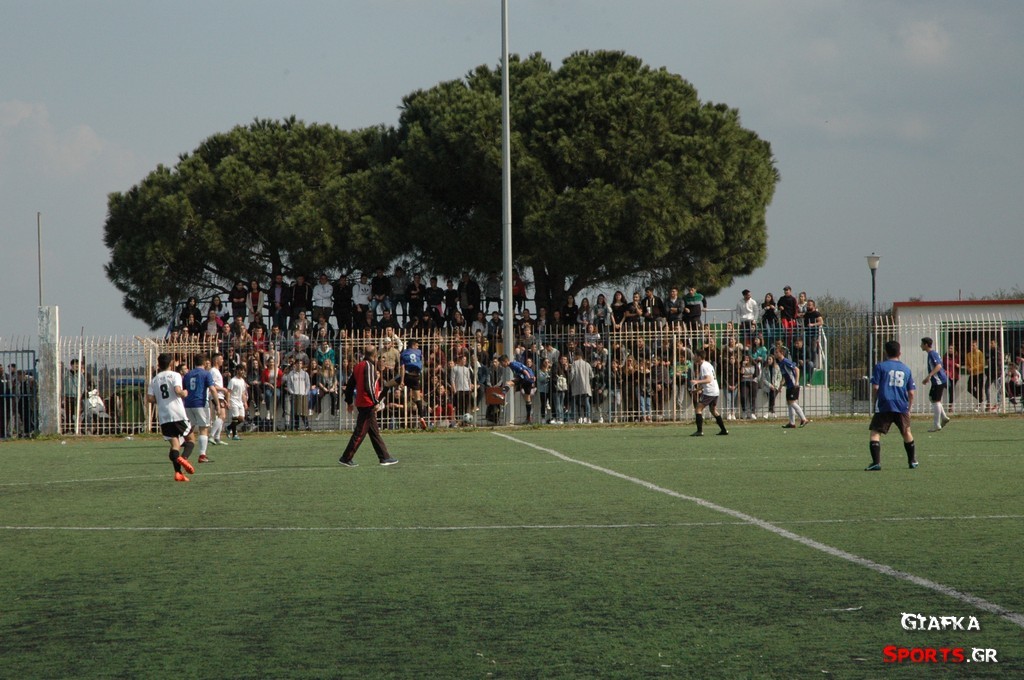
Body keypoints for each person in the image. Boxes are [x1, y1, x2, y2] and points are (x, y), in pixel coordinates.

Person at [338, 345, 399, 467]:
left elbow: (350, 385)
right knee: (360, 432)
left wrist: (349, 401)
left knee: (374, 432)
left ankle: (384, 457)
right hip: (367, 403)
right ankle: (346, 457)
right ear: (375, 355)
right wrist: (375, 401)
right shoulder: (369, 366)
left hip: (362, 402)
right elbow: (369, 386)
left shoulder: (358, 366)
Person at [866, 340, 917, 471]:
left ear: (885, 352)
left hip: (885, 404)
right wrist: (909, 408)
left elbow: (875, 387)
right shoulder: (906, 369)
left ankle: (876, 462)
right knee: (906, 432)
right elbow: (911, 392)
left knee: (875, 432)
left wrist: (874, 401)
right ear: (900, 353)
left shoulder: (880, 367)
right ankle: (912, 461)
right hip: (901, 405)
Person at [146, 353, 196, 482]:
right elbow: (178, 391)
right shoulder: (175, 375)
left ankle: (178, 473)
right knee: (191, 439)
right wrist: (184, 393)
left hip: (164, 416)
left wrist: (161, 399)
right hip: (177, 413)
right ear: (171, 363)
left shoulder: (154, 380)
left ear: (159, 365)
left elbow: (149, 398)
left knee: (175, 445)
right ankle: (183, 458)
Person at [183, 353, 218, 463]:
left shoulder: (188, 375)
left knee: (189, 428)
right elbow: (212, 389)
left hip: (188, 404)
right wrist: (217, 404)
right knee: (203, 428)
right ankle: (202, 455)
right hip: (200, 404)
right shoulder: (206, 374)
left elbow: (184, 390)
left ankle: (179, 447)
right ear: (204, 362)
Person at [689, 349, 728, 436]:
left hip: (709, 392)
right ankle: (724, 430)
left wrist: (697, 381)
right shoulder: (708, 364)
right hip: (715, 390)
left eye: (695, 355)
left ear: (699, 357)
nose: (694, 357)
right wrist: (697, 390)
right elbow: (709, 380)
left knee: (698, 409)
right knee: (713, 410)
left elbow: (708, 379)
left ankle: (699, 431)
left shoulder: (703, 366)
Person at [920, 337, 951, 432]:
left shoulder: (932, 354)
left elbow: (938, 366)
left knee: (936, 401)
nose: (920, 346)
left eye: (922, 344)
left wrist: (929, 376)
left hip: (939, 380)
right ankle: (944, 417)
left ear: (926, 345)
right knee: (932, 398)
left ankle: (937, 424)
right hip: (938, 380)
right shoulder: (932, 353)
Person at [776, 346, 810, 428]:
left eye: (777, 352)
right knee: (789, 403)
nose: (775, 354)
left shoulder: (785, 361)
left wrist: (797, 382)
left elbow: (797, 369)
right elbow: (785, 375)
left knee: (792, 402)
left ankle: (804, 419)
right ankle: (792, 423)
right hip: (788, 385)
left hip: (793, 384)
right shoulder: (780, 363)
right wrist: (780, 386)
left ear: (782, 353)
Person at [499, 354, 537, 424]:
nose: (501, 365)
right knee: (528, 399)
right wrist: (532, 377)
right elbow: (526, 369)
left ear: (505, 361)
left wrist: (529, 376)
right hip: (528, 380)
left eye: (501, 363)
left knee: (508, 383)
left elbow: (524, 371)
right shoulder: (515, 363)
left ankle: (502, 395)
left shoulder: (513, 365)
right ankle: (528, 418)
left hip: (525, 378)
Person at [226, 366, 248, 440]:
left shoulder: (242, 381)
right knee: (235, 417)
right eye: (241, 370)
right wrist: (228, 402)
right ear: (237, 371)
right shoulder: (233, 380)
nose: (242, 372)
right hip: (233, 400)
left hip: (240, 401)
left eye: (243, 370)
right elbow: (229, 392)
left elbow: (243, 393)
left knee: (241, 418)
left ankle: (228, 428)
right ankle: (234, 435)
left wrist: (245, 402)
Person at [963, 339, 986, 411]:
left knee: (979, 389)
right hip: (972, 374)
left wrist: (973, 368)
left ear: (976, 346)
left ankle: (979, 404)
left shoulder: (980, 353)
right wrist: (968, 368)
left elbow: (982, 364)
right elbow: (967, 364)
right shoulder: (968, 354)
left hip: (979, 373)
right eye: (971, 345)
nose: (972, 347)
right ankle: (981, 400)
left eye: (973, 345)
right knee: (969, 388)